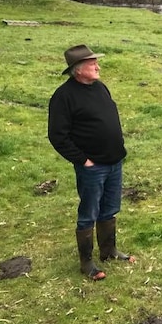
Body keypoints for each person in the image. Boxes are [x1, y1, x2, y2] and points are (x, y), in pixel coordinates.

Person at [48, 44, 135, 280]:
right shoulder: (63, 97)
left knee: (110, 208)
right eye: (91, 64)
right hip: (92, 167)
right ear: (77, 70)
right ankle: (87, 263)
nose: (97, 67)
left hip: (114, 162)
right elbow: (57, 136)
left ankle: (109, 250)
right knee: (89, 212)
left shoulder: (100, 88)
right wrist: (82, 160)